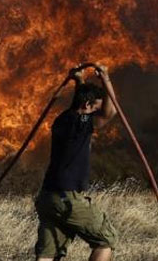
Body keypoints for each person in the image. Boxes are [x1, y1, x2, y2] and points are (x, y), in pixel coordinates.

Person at [34, 65, 119, 261]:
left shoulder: (63, 118)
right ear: (88, 106)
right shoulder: (81, 123)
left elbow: (81, 103)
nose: (97, 114)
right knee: (106, 239)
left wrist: (79, 80)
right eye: (95, 109)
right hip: (67, 198)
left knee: (47, 254)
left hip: (48, 197)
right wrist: (105, 78)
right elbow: (110, 111)